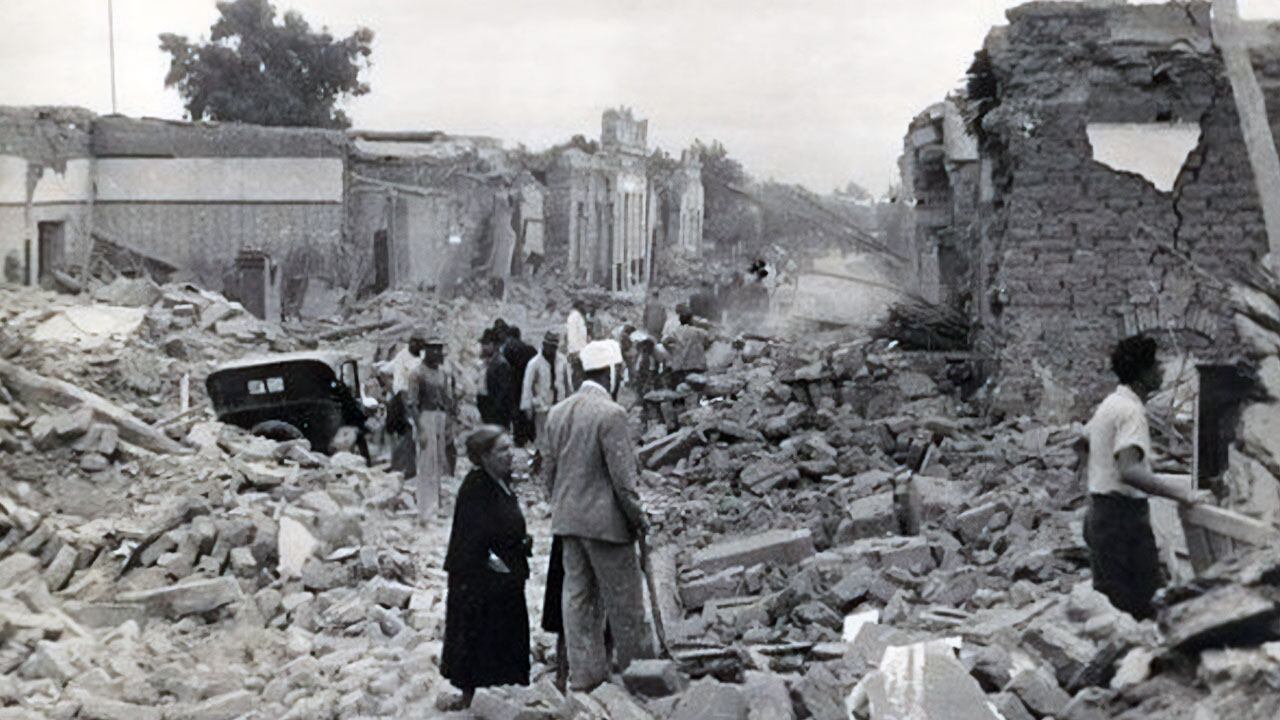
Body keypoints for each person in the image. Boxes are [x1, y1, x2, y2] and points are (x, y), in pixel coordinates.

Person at [543, 339, 654, 692]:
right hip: (606, 527)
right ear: (613, 372)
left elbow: (548, 472)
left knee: (577, 600)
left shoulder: (557, 412)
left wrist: (563, 504)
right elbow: (624, 481)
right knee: (625, 605)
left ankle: (584, 676)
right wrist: (638, 517)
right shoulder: (611, 415)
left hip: (568, 522)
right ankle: (642, 676)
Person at [1079, 335, 1212, 620]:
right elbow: (1130, 471)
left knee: (1113, 607)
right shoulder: (1132, 411)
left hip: (1100, 514)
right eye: (1156, 365)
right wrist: (1184, 494)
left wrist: (1093, 481)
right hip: (1123, 521)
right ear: (1142, 374)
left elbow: (1082, 440)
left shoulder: (1111, 403)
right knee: (1145, 608)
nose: (1163, 370)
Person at [441, 426, 532, 706]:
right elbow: (473, 543)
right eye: (502, 450)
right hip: (480, 576)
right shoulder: (475, 488)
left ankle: (504, 693)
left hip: (503, 575)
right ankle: (472, 696)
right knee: (477, 635)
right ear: (484, 456)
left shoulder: (502, 481)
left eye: (510, 447)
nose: (510, 455)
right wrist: (503, 569)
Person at [406, 337, 458, 524]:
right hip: (425, 416)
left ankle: (436, 504)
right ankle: (424, 509)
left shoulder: (442, 373)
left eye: (439, 349)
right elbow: (412, 404)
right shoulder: (417, 373)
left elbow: (447, 398)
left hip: (440, 417)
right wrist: (419, 429)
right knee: (426, 462)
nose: (437, 353)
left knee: (438, 461)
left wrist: (451, 418)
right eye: (433, 349)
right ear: (425, 350)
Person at [520, 330, 573, 457]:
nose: (551, 349)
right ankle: (543, 461)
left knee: (559, 436)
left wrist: (571, 401)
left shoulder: (562, 360)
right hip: (542, 406)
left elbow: (567, 383)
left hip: (559, 405)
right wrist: (527, 407)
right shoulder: (534, 363)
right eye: (549, 346)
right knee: (543, 438)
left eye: (554, 346)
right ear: (544, 344)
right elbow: (527, 386)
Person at [502, 327, 539, 447]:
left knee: (517, 412)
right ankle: (531, 436)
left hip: (515, 385)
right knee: (529, 412)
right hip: (529, 385)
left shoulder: (508, 348)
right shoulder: (531, 349)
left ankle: (520, 438)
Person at [662, 305, 708, 390]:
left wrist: (672, 350)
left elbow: (664, 341)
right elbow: (708, 339)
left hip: (680, 365)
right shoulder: (698, 332)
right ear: (690, 320)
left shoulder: (675, 332)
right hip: (696, 365)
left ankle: (679, 403)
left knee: (680, 390)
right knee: (695, 390)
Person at [478, 329, 517, 430]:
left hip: (496, 411)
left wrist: (493, 412)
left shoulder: (501, 364)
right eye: (483, 344)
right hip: (486, 406)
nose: (484, 347)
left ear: (495, 345)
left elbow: (502, 393)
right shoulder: (487, 362)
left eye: (487, 344)